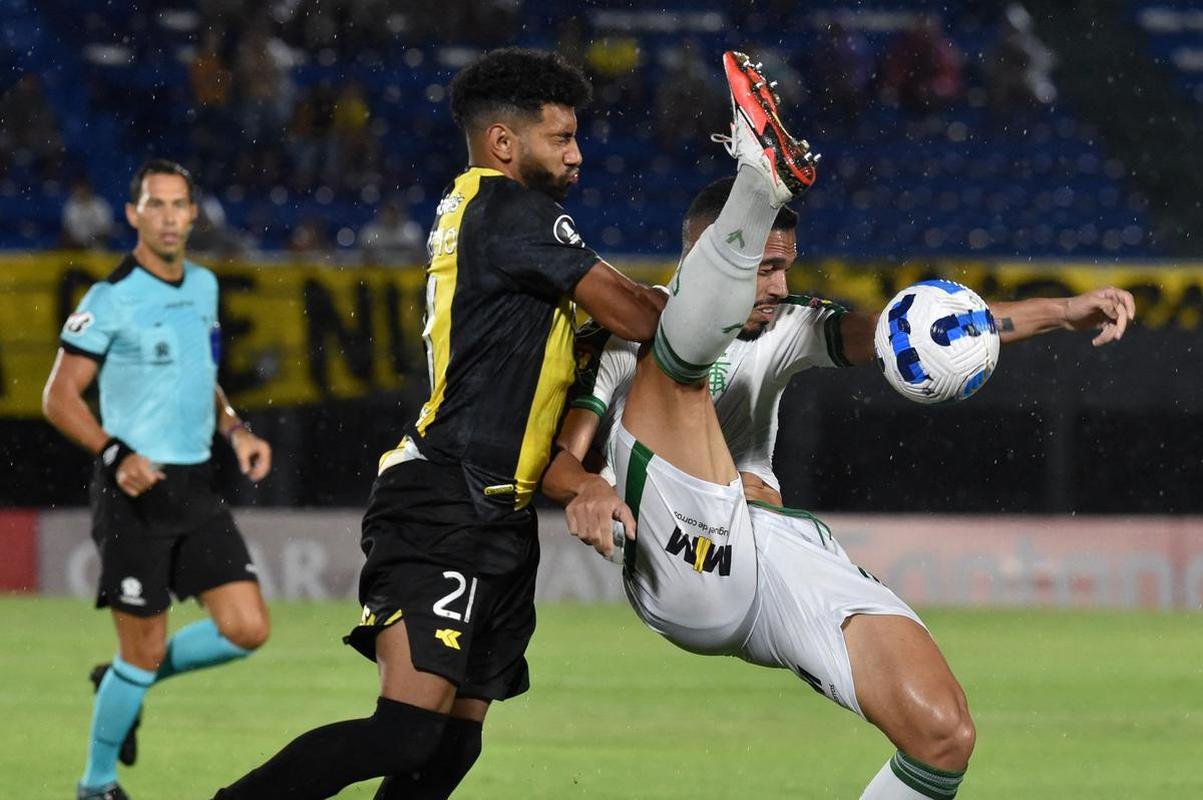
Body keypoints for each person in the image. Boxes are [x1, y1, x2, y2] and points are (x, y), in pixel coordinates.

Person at [543, 64, 1135, 800]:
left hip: (776, 546)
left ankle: (762, 179)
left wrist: (1061, 313)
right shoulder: (626, 332)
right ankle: (758, 179)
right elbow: (557, 461)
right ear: (705, 256)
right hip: (683, 555)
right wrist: (587, 489)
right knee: (678, 352)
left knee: (942, 735)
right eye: (761, 268)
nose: (778, 288)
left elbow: (913, 331)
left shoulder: (788, 326)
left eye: (785, 269)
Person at [212, 47, 668, 800]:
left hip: (497, 512)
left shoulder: (477, 212)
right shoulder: (512, 210)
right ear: (503, 142)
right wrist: (712, 289)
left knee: (450, 745)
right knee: (406, 732)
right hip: (446, 500)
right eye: (560, 137)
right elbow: (642, 317)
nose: (577, 154)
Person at [42, 159, 274, 800]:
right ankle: (96, 785)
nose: (169, 218)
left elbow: (204, 377)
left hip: (195, 486)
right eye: (156, 205)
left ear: (193, 215)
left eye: (179, 205)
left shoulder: (203, 285)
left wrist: (236, 429)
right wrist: (115, 454)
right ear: (133, 214)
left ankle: (122, 681)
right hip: (133, 493)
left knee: (247, 629)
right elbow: (58, 397)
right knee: (140, 649)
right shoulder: (110, 297)